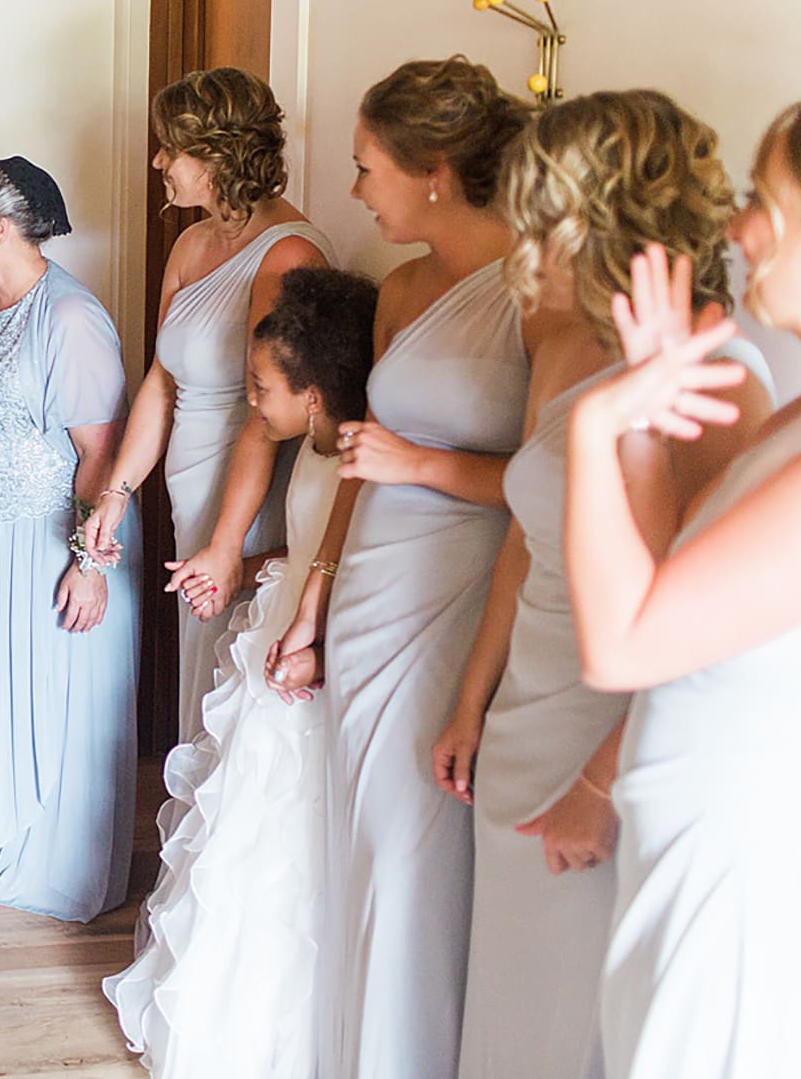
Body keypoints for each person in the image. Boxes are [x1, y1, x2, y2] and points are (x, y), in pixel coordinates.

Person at [437, 91, 771, 1079]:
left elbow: (703, 619)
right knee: (511, 998)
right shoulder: (573, 341)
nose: (516, 229)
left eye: (534, 203)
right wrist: (471, 698)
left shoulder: (712, 378)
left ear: (592, 210)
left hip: (601, 734)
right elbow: (533, 537)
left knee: (570, 1018)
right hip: (523, 719)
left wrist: (598, 781)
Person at [565, 96, 801, 1079]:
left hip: (756, 877)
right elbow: (668, 585)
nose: (735, 228)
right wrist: (645, 424)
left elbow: (624, 643)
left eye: (759, 201)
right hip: (695, 844)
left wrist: (590, 429)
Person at [279, 57, 534, 1078]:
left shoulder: (536, 287)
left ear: (433, 170)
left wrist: (418, 463)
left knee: (414, 853)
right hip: (370, 585)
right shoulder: (401, 284)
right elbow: (360, 450)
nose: (353, 192)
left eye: (364, 167)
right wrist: (316, 586)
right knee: (357, 842)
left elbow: (558, 479)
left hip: (464, 593)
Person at [105, 267, 378, 1077]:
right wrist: (249, 561)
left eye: (261, 390)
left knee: (283, 840)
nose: (251, 407)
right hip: (277, 625)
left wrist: (307, 624)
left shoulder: (355, 462)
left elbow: (344, 561)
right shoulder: (317, 447)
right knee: (237, 835)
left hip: (305, 658)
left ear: (316, 396)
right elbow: (302, 548)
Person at [0, 157, 140, 923]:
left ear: (2, 230)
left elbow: (101, 454)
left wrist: (89, 562)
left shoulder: (70, 317)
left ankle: (51, 855)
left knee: (48, 691)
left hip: (48, 536)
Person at [82, 68, 331, 743]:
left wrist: (226, 547)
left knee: (235, 687)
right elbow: (162, 383)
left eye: (171, 148)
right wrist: (118, 493)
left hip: (247, 503)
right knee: (201, 678)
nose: (159, 161)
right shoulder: (191, 245)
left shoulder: (288, 255)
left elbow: (265, 414)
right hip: (190, 495)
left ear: (217, 154)